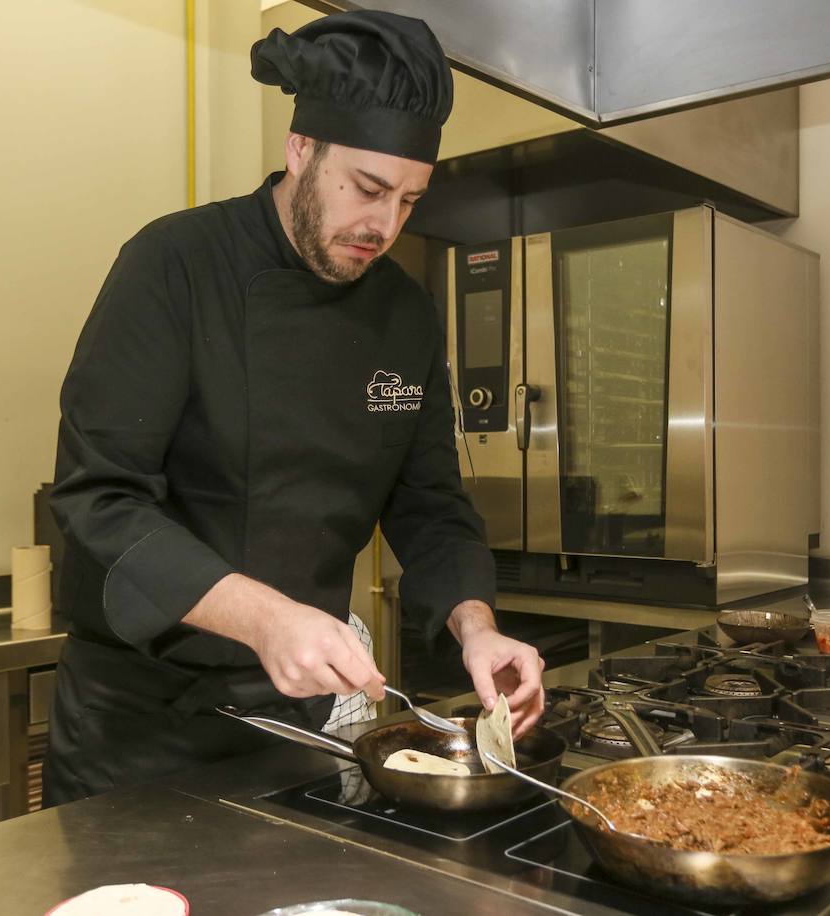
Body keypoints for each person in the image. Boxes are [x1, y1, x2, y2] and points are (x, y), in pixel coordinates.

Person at [42, 10, 545, 805]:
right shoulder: (173, 265)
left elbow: (431, 505)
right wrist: (267, 618)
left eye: (410, 201)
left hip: (294, 723)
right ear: (300, 149)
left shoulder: (405, 314)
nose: (384, 225)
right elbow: (99, 497)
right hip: (138, 730)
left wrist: (476, 627)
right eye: (368, 189)